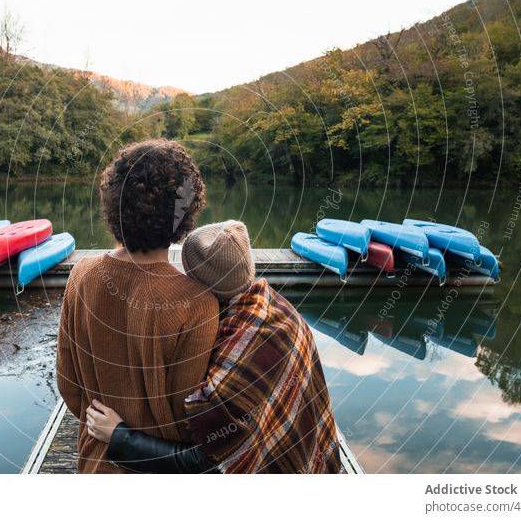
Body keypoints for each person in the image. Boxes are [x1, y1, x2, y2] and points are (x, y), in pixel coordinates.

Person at [84, 220, 342, 474]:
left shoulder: (240, 351)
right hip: (307, 459)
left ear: (200, 286)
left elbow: (207, 460)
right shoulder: (277, 307)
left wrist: (120, 437)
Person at [56, 139, 220, 473]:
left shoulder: (81, 275)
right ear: (184, 215)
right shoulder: (198, 304)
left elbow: (68, 386)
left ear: (114, 203)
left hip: (95, 465)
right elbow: (190, 420)